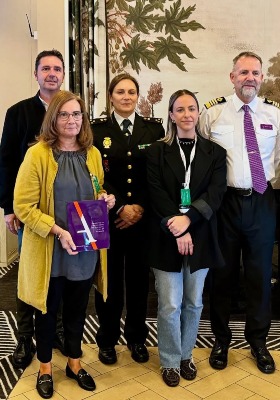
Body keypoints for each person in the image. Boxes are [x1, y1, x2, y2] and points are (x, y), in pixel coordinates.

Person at [13, 91, 115, 398]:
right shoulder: (38, 154)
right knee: (46, 311)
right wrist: (58, 231)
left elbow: (97, 187)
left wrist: (104, 199)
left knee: (76, 310)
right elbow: (23, 206)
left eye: (77, 114)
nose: (72, 120)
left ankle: (74, 362)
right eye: (64, 114)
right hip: (51, 249)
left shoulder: (92, 153)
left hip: (83, 248)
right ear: (53, 118)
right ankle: (45, 367)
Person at [199, 51, 280, 374]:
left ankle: (258, 342)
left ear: (262, 78)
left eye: (256, 73)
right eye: (244, 72)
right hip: (224, 203)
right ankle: (221, 340)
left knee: (259, 275)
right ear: (232, 77)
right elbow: (203, 159)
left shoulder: (275, 114)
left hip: (261, 200)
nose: (250, 78)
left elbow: (277, 159)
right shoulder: (213, 113)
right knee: (221, 274)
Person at [146, 90, 227, 387]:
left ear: (198, 113)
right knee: (170, 303)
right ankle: (169, 360)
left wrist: (188, 220)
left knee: (193, 302)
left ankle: (185, 356)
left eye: (191, 108)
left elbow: (216, 194)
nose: (186, 114)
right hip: (166, 234)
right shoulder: (156, 152)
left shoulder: (215, 153)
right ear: (171, 115)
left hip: (201, 234)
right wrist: (177, 226)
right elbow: (155, 193)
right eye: (179, 109)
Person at [91, 73, 164, 365]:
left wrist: (140, 208)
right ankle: (107, 339)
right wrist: (121, 207)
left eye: (131, 92)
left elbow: (157, 174)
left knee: (138, 282)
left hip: (142, 221)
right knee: (108, 282)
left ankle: (136, 338)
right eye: (120, 92)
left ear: (138, 96)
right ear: (111, 96)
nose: (126, 97)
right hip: (109, 218)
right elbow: (95, 175)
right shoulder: (96, 130)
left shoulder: (153, 130)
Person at [0, 49, 66, 369]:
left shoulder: (71, 110)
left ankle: (56, 331)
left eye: (57, 69)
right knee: (28, 274)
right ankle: (25, 337)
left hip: (65, 211)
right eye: (46, 68)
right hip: (28, 211)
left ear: (63, 75)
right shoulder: (19, 112)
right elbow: (6, 161)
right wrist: (8, 208)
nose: (51, 73)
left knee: (61, 274)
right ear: (36, 74)